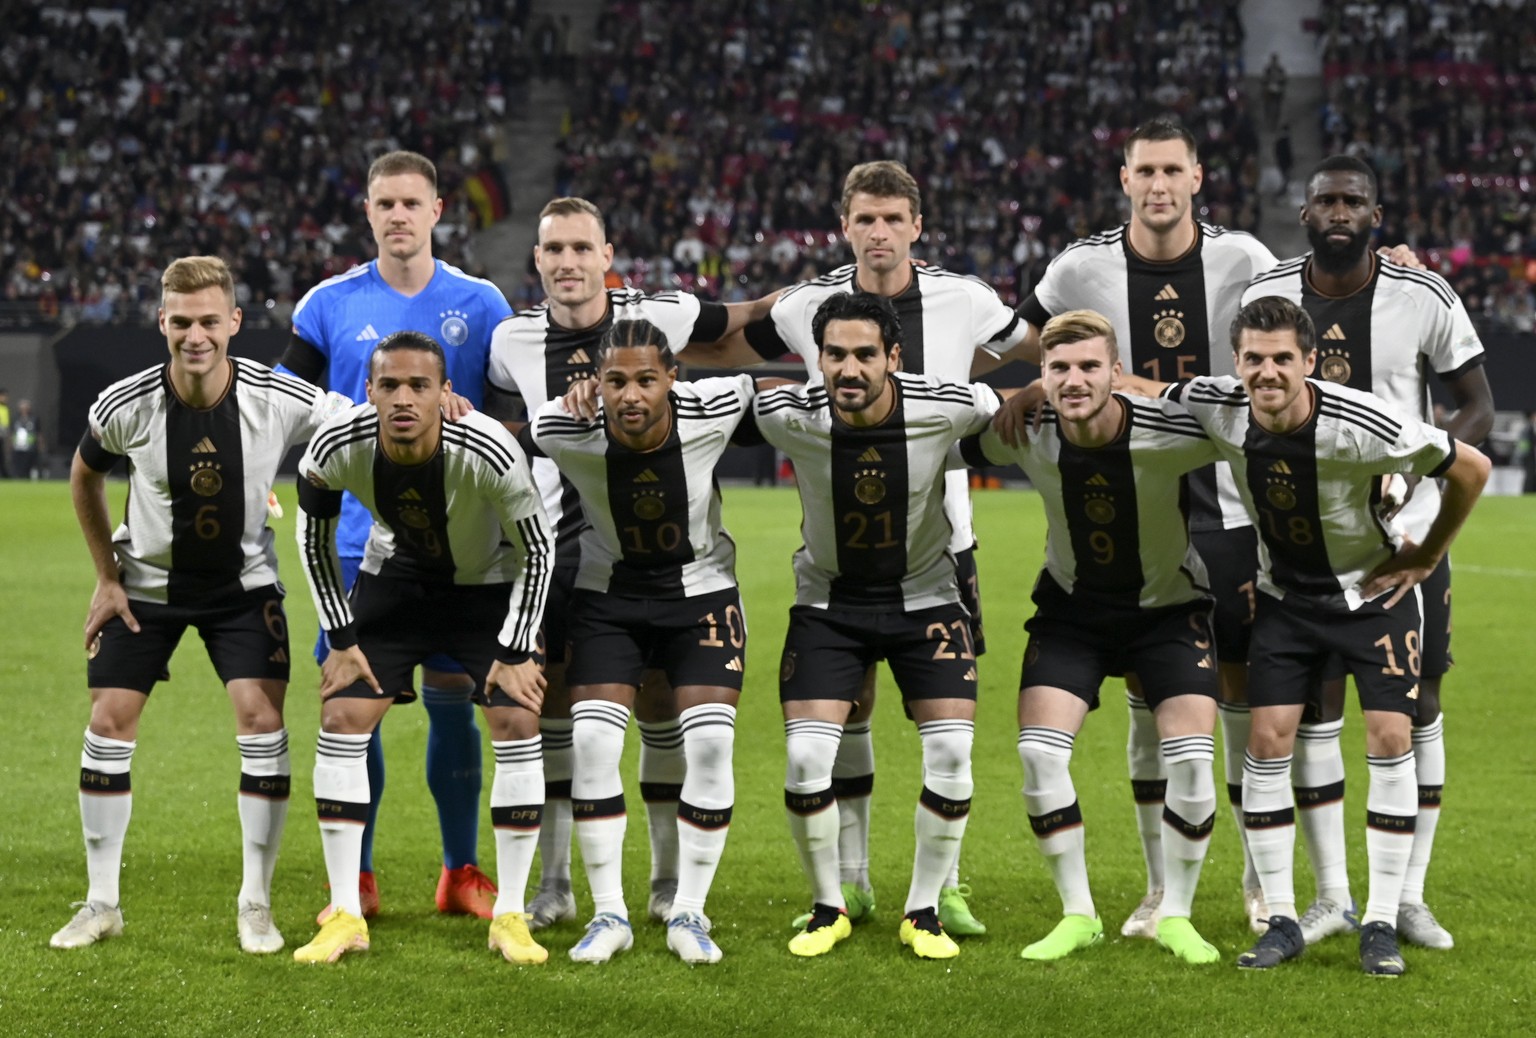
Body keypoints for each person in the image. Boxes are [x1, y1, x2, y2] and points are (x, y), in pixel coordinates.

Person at [704, 159, 1029, 936]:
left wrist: (1032, 384)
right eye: (865, 219)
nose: (879, 233)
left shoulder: (966, 297)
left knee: (944, 720)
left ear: (917, 225)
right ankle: (848, 883)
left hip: (943, 540)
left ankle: (944, 885)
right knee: (849, 708)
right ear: (844, 225)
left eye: (893, 219)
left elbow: (1037, 348)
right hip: (842, 553)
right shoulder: (806, 304)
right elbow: (728, 347)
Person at [1122, 296, 1491, 976]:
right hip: (1285, 601)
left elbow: (1471, 467)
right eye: (1254, 359)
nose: (1267, 373)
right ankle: (1284, 919)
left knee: (1389, 737)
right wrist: (1046, 386)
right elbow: (1145, 389)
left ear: (1309, 361)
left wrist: (1425, 553)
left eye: (1282, 359)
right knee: (1266, 743)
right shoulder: (1220, 403)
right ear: (1236, 362)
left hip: (1369, 598)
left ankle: (1379, 920)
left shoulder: (1362, 421)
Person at [1007, 116, 1281, 937]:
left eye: (1173, 170)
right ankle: (1162, 889)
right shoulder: (1079, 266)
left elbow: (1294, 334)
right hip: (1127, 507)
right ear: (1123, 179)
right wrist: (1030, 387)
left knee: (1236, 697)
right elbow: (1024, 338)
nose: (1158, 185)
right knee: (1142, 701)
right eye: (1144, 171)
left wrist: (1400, 261)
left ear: (1198, 177)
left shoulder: (1246, 260)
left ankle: (1260, 882)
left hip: (1227, 510)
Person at [486, 196, 775, 932]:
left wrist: (823, 299)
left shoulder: (662, 317)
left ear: (607, 256)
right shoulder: (510, 341)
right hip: (553, 555)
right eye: (554, 250)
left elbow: (743, 322)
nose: (568, 263)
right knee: (554, 714)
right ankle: (554, 884)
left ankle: (667, 882)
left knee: (657, 708)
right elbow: (505, 436)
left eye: (582, 248)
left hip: (648, 550)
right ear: (539, 259)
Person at [52, 256, 344, 954]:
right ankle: (101, 903)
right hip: (146, 588)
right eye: (181, 322)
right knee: (108, 720)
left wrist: (435, 405)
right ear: (162, 323)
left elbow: (355, 422)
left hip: (241, 591)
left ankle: (256, 904)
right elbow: (84, 476)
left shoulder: (277, 395)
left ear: (235, 322)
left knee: (260, 718)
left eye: (210, 321)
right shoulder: (126, 404)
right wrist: (106, 576)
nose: (196, 335)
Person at [1241, 155, 1494, 950]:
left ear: (1377, 215)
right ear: (1306, 214)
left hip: (1407, 542)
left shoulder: (1423, 294)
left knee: (1416, 707)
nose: (1339, 212)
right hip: (1301, 539)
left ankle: (1407, 896)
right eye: (1326, 201)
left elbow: (1477, 404)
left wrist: (1419, 481)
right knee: (1307, 713)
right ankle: (1328, 898)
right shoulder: (1268, 296)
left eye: (1353, 200)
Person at [279, 150, 514, 921]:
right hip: (354, 540)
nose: (398, 217)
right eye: (385, 204)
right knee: (356, 702)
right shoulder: (327, 303)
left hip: (460, 549)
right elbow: (286, 406)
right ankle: (363, 877)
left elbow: (512, 418)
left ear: (440, 210)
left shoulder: (481, 305)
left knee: (455, 704)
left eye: (411, 203)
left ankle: (461, 870)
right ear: (369, 211)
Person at [966, 310, 1224, 965]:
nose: (1074, 381)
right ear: (1042, 376)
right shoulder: (1028, 430)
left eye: (1088, 367)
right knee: (1038, 756)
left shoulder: (1171, 431)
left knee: (1192, 761)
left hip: (1168, 612)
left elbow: (1254, 428)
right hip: (1072, 615)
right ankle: (1077, 912)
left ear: (1117, 373)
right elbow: (945, 442)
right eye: (1058, 369)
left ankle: (1176, 914)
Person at [291, 331, 554, 965]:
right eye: (389, 385)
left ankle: (511, 916)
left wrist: (517, 649)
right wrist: (343, 638)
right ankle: (346, 913)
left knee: (516, 718)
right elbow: (313, 541)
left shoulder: (488, 447)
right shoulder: (334, 447)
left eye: (419, 386)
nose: (403, 398)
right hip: (396, 584)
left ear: (444, 393)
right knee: (341, 716)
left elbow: (537, 549)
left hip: (485, 586)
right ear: (369, 391)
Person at [751, 292, 998, 961]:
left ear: (893, 356)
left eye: (865, 354)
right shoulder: (785, 412)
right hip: (829, 605)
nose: (849, 368)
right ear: (817, 359)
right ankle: (829, 905)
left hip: (927, 599)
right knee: (806, 759)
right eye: (834, 354)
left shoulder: (947, 405)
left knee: (950, 755)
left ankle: (923, 911)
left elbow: (1010, 409)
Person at [524, 319, 757, 964]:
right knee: (596, 741)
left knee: (710, 741)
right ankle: (607, 915)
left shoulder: (716, 406)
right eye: (616, 380)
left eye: (647, 380)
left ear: (672, 381)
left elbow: (767, 391)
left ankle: (689, 909)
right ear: (594, 384)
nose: (631, 395)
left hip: (703, 592)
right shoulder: (561, 428)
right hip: (609, 598)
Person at [11, 398, 41, 478]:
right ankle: (18, 478)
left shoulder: (34, 418)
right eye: (22, 407)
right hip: (17, 447)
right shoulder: (15, 418)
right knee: (18, 465)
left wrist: (40, 445)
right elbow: (12, 432)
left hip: (30, 447)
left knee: (28, 465)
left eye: (26, 407)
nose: (24, 409)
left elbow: (38, 433)